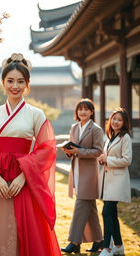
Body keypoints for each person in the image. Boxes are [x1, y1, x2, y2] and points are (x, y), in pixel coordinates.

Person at [0, 53, 61, 256]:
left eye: (21, 81)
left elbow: (46, 149)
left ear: (27, 84)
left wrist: (24, 177)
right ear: (3, 83)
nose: (15, 86)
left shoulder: (35, 114)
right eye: (10, 81)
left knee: (25, 232)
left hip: (24, 181)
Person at [61, 98, 104, 253]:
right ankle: (99, 241)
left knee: (80, 206)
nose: (83, 112)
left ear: (92, 112)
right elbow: (73, 148)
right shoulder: (74, 127)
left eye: (86, 109)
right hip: (76, 170)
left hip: (89, 174)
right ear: (76, 112)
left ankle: (74, 242)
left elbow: (98, 151)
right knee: (90, 209)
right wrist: (68, 151)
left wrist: (79, 151)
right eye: (80, 109)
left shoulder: (96, 129)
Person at [98, 108, 132, 256]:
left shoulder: (125, 138)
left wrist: (108, 160)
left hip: (118, 180)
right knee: (111, 214)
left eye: (119, 119)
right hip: (108, 180)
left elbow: (127, 160)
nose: (115, 122)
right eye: (113, 118)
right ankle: (118, 246)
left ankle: (107, 248)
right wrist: (102, 159)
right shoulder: (111, 136)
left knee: (107, 212)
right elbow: (108, 157)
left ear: (124, 122)